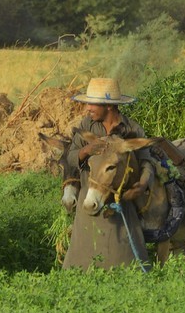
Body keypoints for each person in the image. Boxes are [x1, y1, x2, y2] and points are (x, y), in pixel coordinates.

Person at [58, 76, 150, 270]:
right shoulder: (86, 127)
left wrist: (142, 185)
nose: (88, 108)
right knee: (82, 261)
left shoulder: (133, 129)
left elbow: (146, 162)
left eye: (93, 104)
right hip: (89, 199)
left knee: (125, 263)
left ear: (109, 106)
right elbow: (71, 158)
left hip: (121, 206)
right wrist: (86, 150)